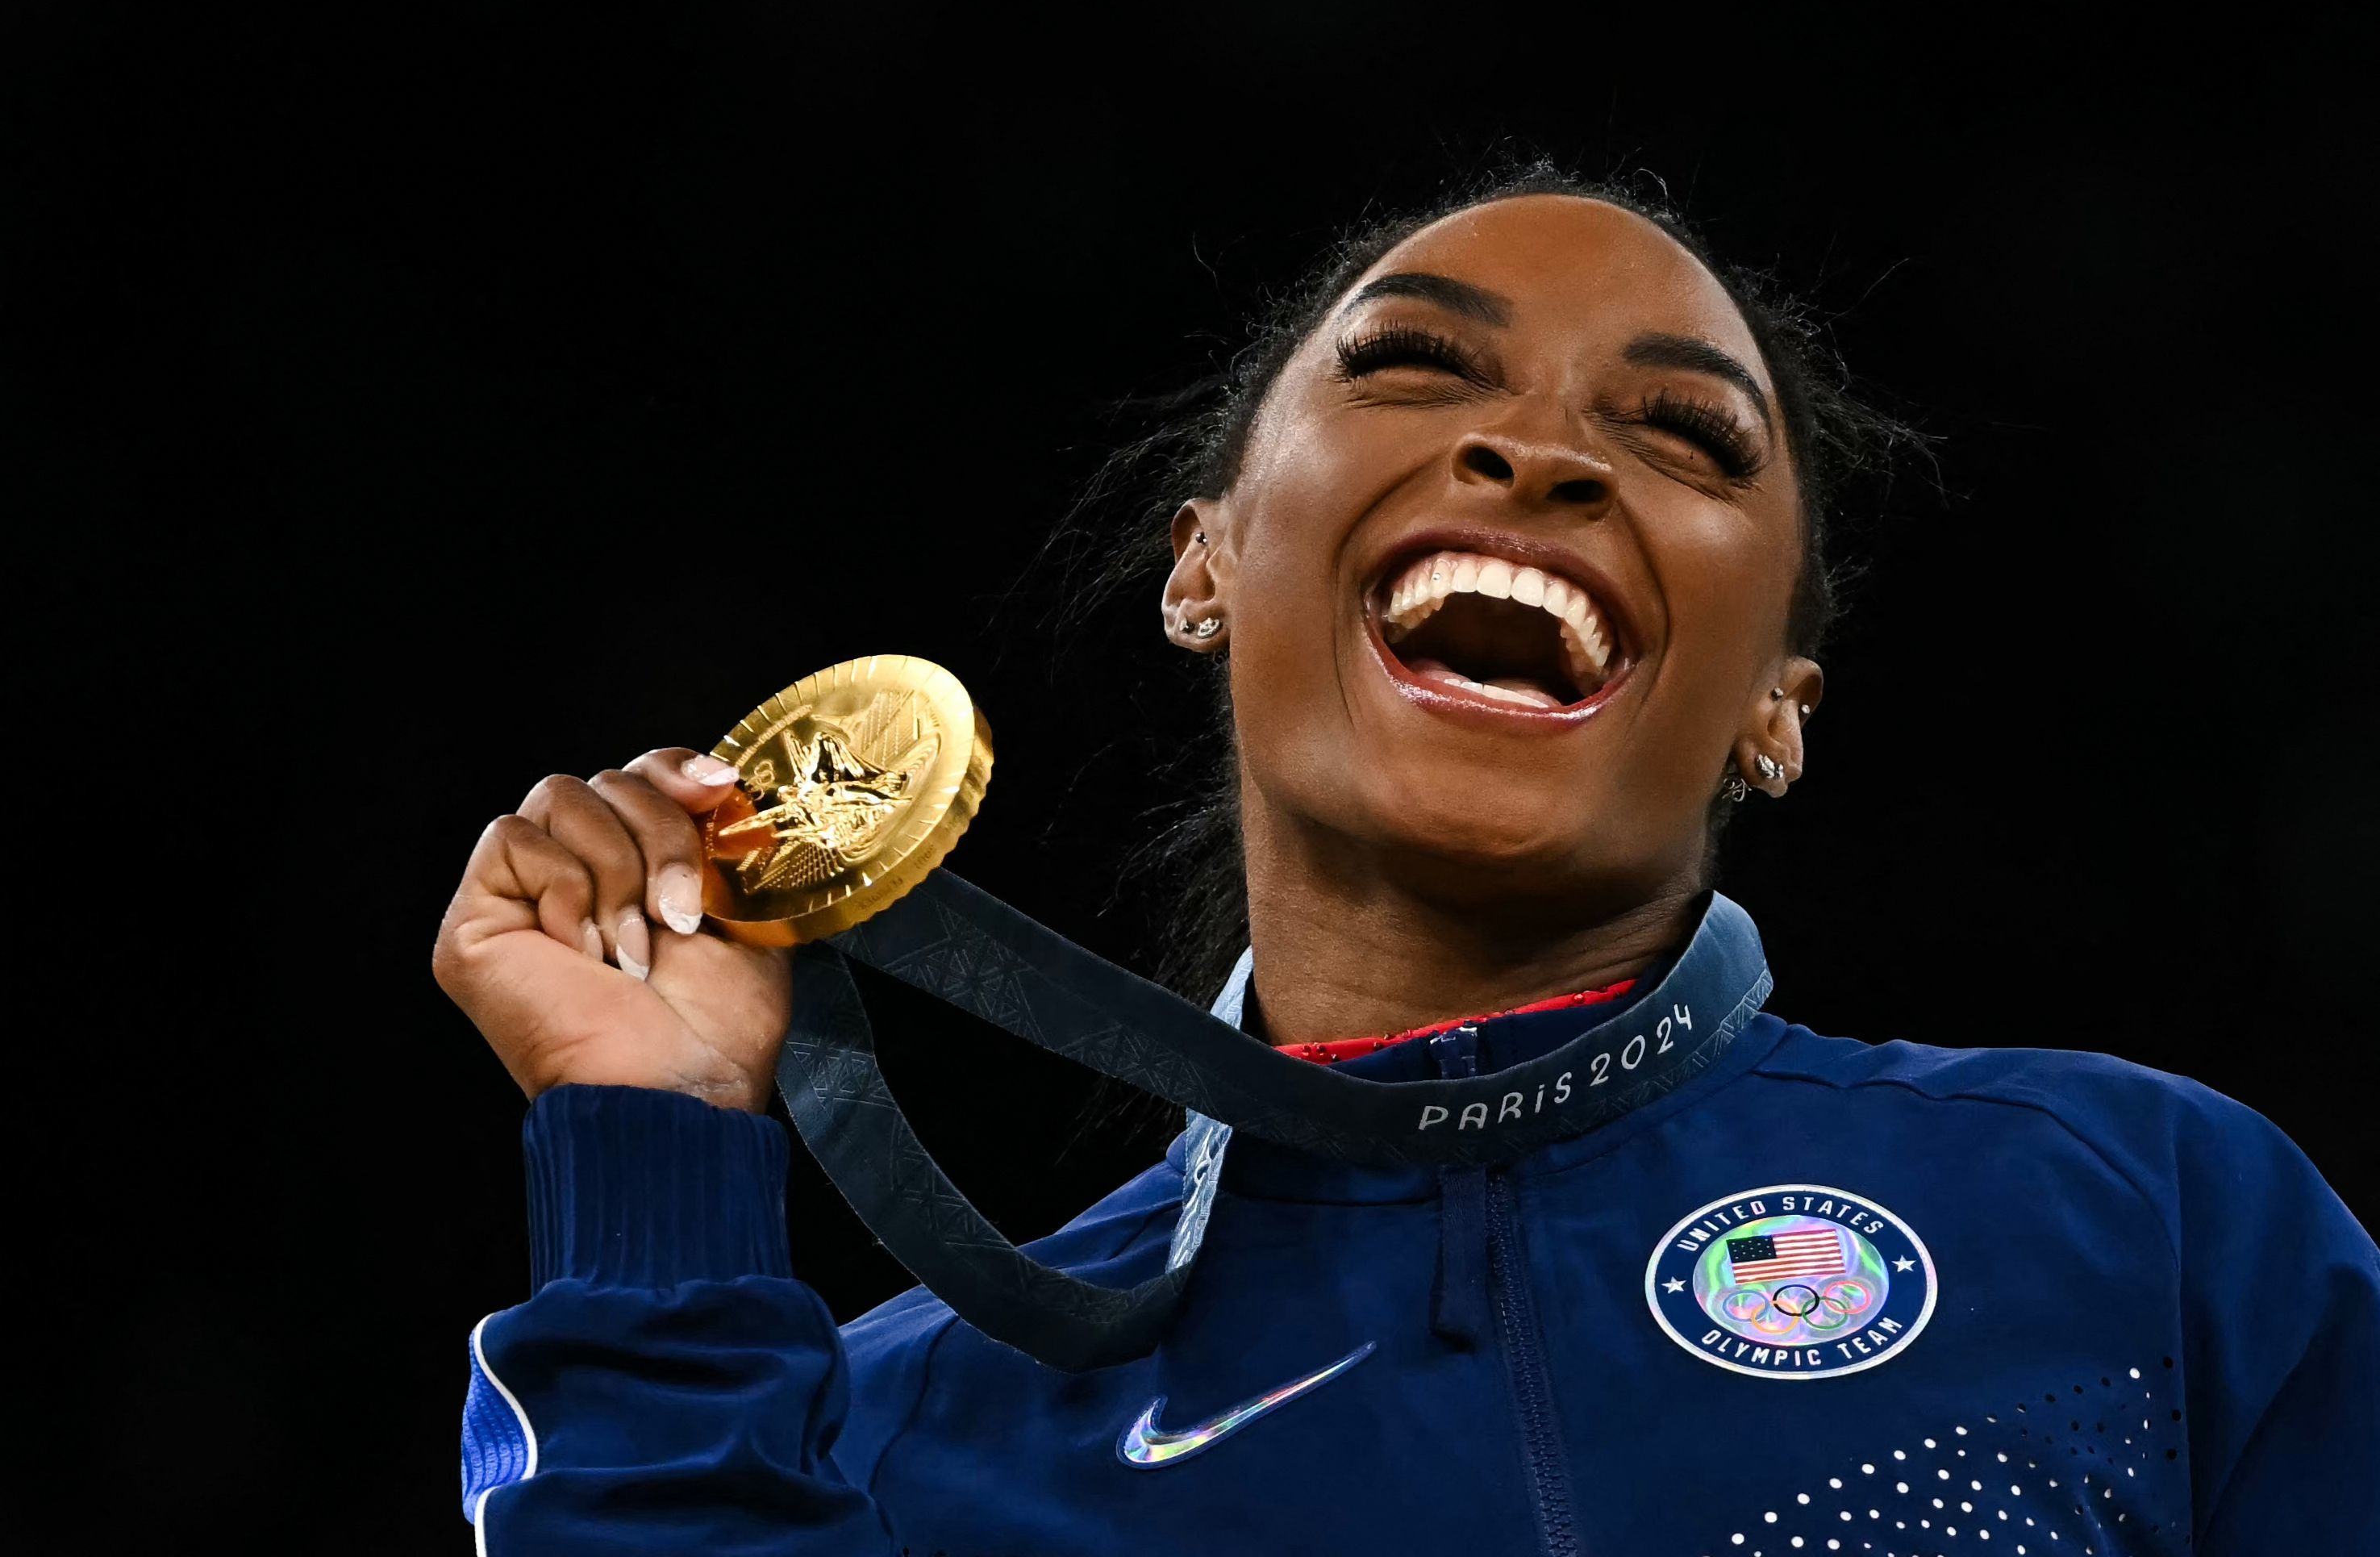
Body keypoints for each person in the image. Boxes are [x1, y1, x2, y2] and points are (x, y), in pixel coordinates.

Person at [432, 170, 2379, 1555]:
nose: (1538, 457)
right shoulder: (898, 1427)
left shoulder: (2150, 1219)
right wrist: (655, 1151)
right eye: (1416, 372)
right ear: (1205, 564)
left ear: (1777, 706)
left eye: (1687, 437)